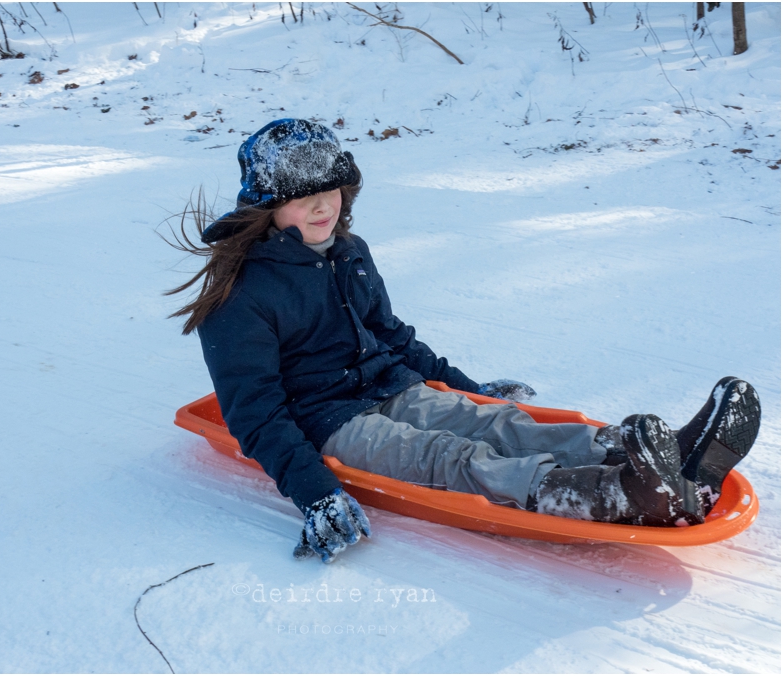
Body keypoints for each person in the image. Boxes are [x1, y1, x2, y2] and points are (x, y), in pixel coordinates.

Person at [166, 119, 761, 563]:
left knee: (499, 425)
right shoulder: (241, 295)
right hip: (325, 419)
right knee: (452, 459)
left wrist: (472, 391)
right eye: (303, 195)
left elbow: (393, 337)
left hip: (390, 386)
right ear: (268, 204)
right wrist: (314, 492)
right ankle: (611, 492)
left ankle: (664, 455)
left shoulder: (349, 253)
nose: (324, 205)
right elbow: (256, 415)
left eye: (334, 188)